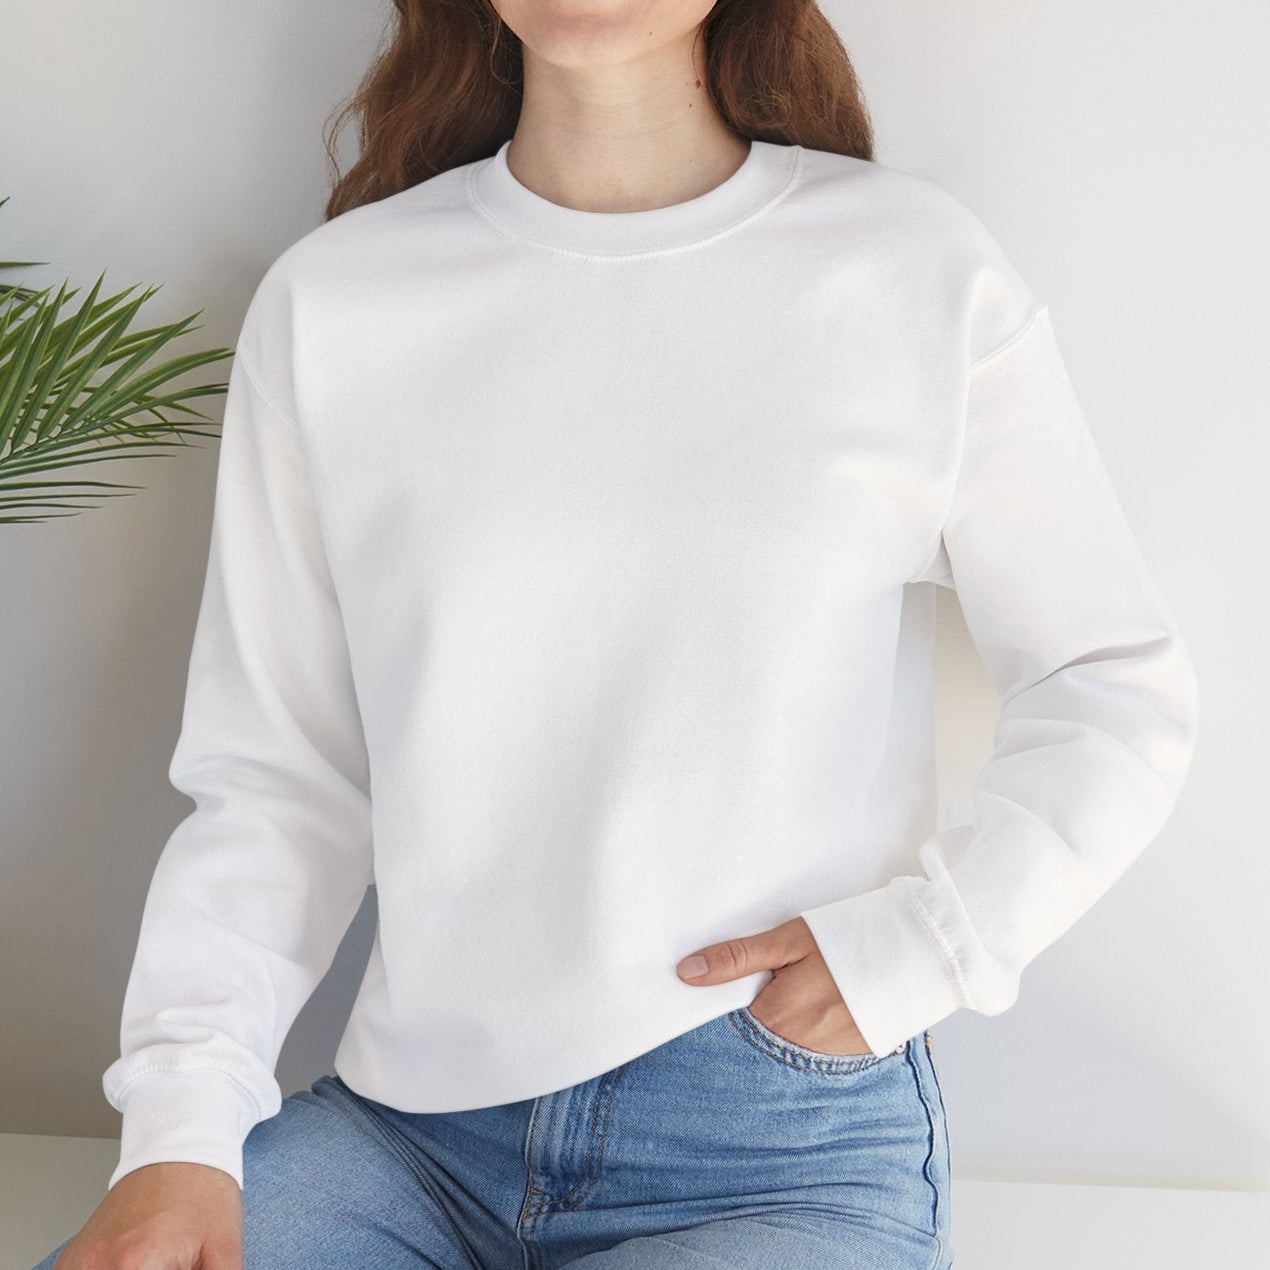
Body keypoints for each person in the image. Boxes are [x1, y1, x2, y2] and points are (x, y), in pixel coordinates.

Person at [34, 2, 1200, 1268]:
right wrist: (178, 1134)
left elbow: (1110, 681)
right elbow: (278, 785)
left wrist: (930, 946)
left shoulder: (909, 270)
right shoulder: (338, 302)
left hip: (774, 1147)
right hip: (404, 1140)